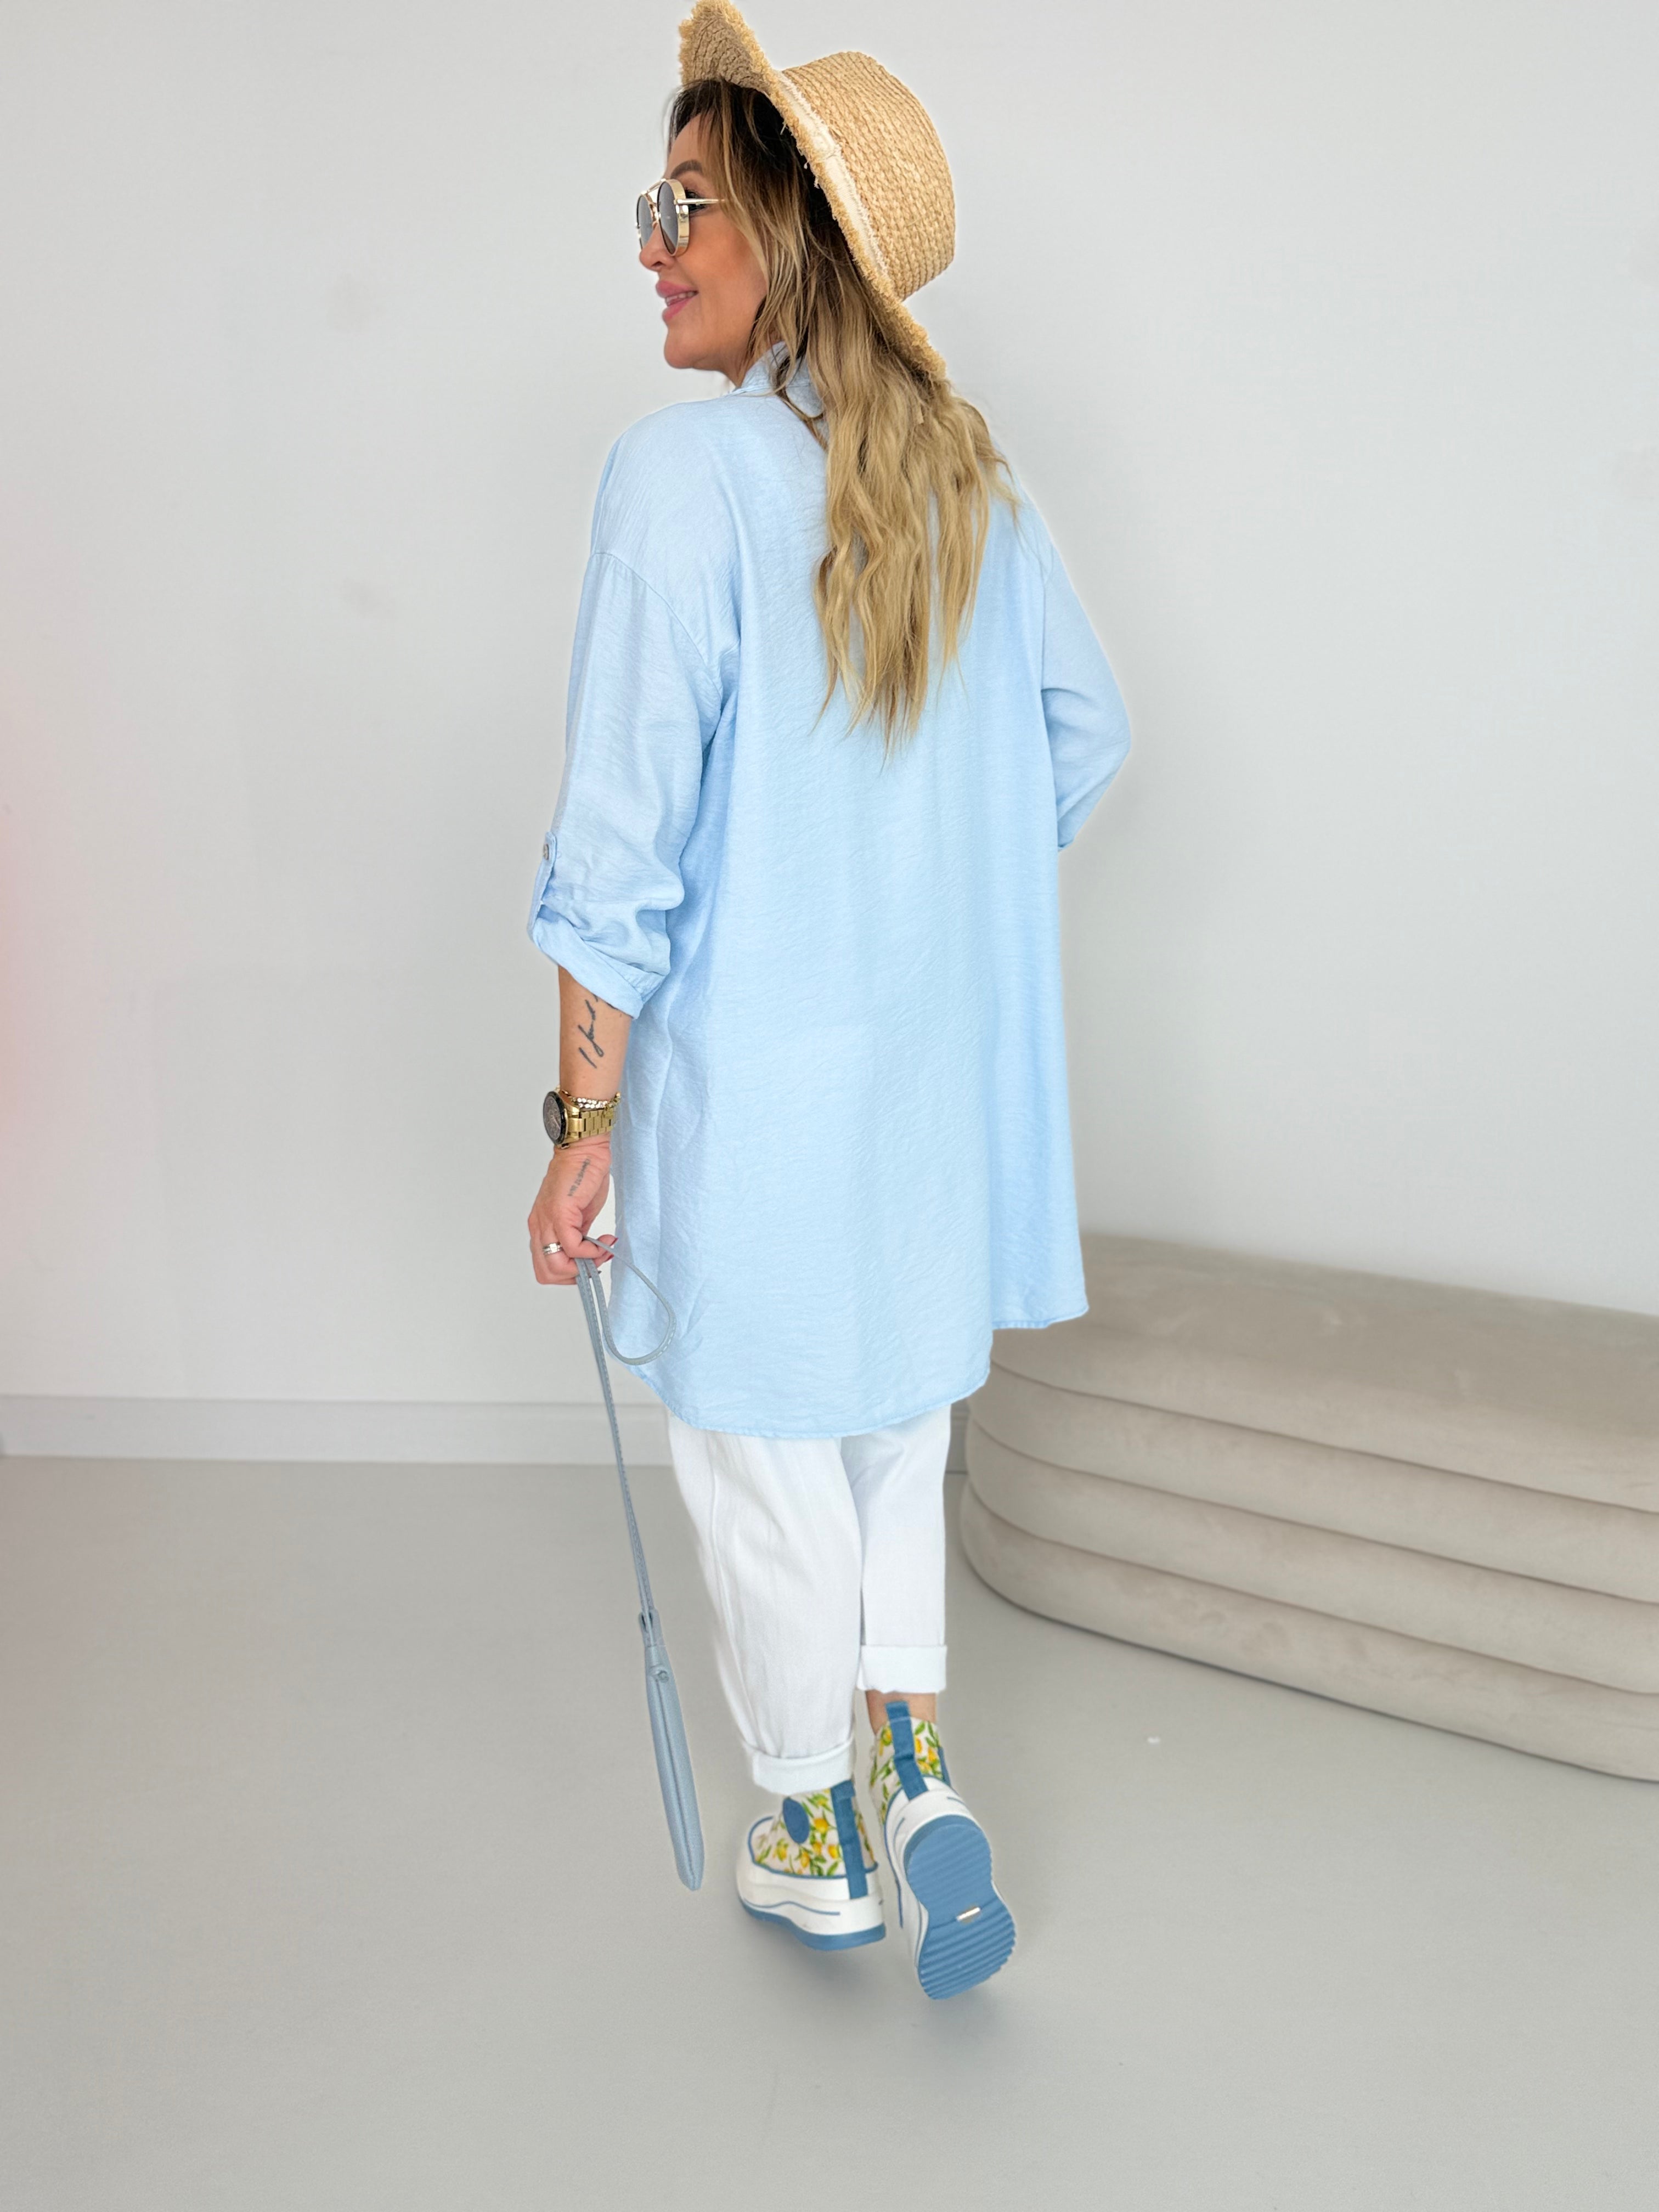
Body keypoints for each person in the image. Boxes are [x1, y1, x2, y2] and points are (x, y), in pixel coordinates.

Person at [525, 0, 1130, 2000]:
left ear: (786, 233)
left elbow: (617, 857)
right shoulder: (971, 483)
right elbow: (1082, 735)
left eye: (684, 203)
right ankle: (919, 1771)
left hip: (759, 1098)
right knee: (889, 1432)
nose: (651, 243)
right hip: (924, 1096)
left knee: (763, 1455)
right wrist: (924, 889)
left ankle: (810, 1833)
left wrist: (582, 1128)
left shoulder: (680, 483)